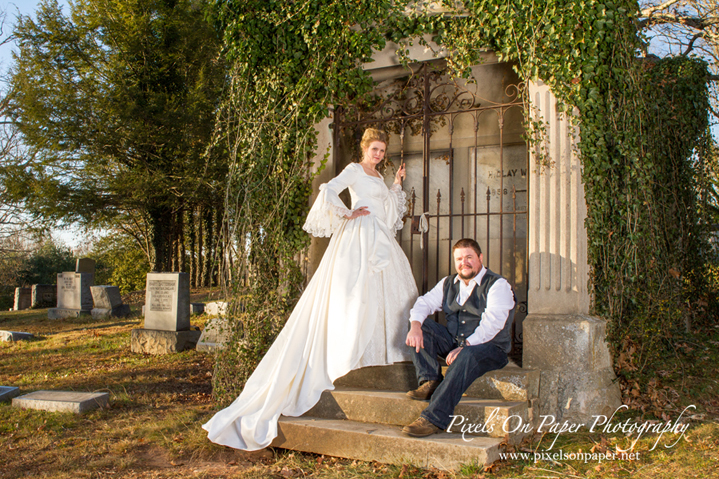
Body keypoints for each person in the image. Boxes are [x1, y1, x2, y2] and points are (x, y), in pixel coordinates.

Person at [203, 128, 417, 450]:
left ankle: (387, 351)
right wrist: (347, 213)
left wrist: (396, 184)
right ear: (364, 148)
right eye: (375, 149)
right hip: (357, 235)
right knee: (354, 296)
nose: (379, 155)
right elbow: (328, 189)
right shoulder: (355, 170)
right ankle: (347, 353)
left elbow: (388, 211)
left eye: (382, 150)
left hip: (379, 237)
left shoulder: (378, 174)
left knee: (388, 292)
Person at [402, 238, 516, 437]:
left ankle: (434, 418)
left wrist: (466, 345)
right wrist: (415, 326)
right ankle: (429, 380)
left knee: (467, 355)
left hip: (489, 349)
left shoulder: (498, 285)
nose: (464, 263)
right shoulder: (448, 283)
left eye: (469, 257)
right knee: (421, 325)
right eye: (459, 259)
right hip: (457, 343)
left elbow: (493, 323)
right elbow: (424, 302)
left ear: (480, 258)